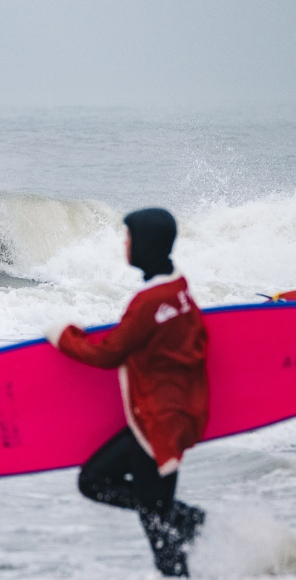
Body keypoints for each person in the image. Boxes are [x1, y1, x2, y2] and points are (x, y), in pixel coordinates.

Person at [45, 208, 208, 577]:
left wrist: (63, 336)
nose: (126, 244)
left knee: (158, 531)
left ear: (145, 245)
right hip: (171, 414)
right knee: (114, 491)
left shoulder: (149, 301)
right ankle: (184, 518)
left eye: (130, 238)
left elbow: (108, 353)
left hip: (156, 423)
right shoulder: (177, 286)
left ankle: (187, 519)